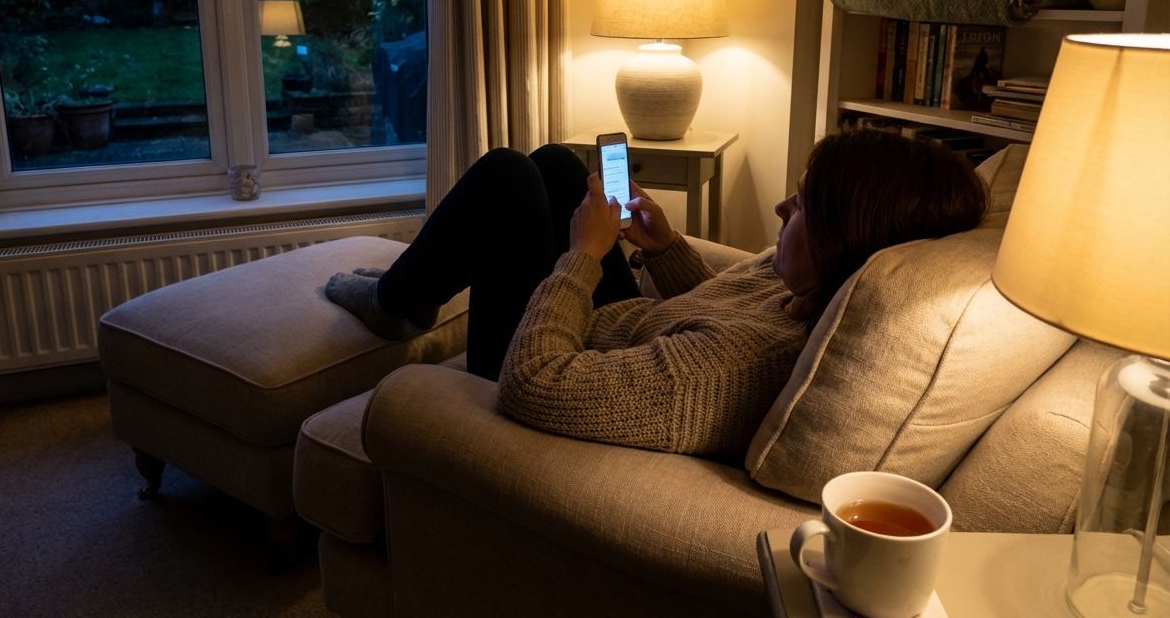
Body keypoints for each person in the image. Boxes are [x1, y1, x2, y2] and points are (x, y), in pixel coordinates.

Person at [326, 129, 987, 457]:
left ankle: (392, 302)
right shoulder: (810, 286)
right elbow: (711, 314)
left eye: (805, 203)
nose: (785, 206)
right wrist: (664, 249)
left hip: (533, 353)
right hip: (625, 318)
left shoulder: (735, 372)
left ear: (844, 240)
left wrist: (585, 258)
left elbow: (537, 384)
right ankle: (407, 290)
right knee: (557, 163)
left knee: (506, 175)